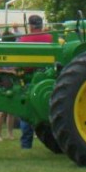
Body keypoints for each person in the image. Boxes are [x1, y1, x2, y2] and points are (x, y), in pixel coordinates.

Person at [17, 14, 53, 149]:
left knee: (26, 111)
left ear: (30, 26)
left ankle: (26, 144)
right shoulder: (50, 38)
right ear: (41, 25)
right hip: (48, 76)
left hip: (29, 77)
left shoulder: (25, 39)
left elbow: (19, 61)